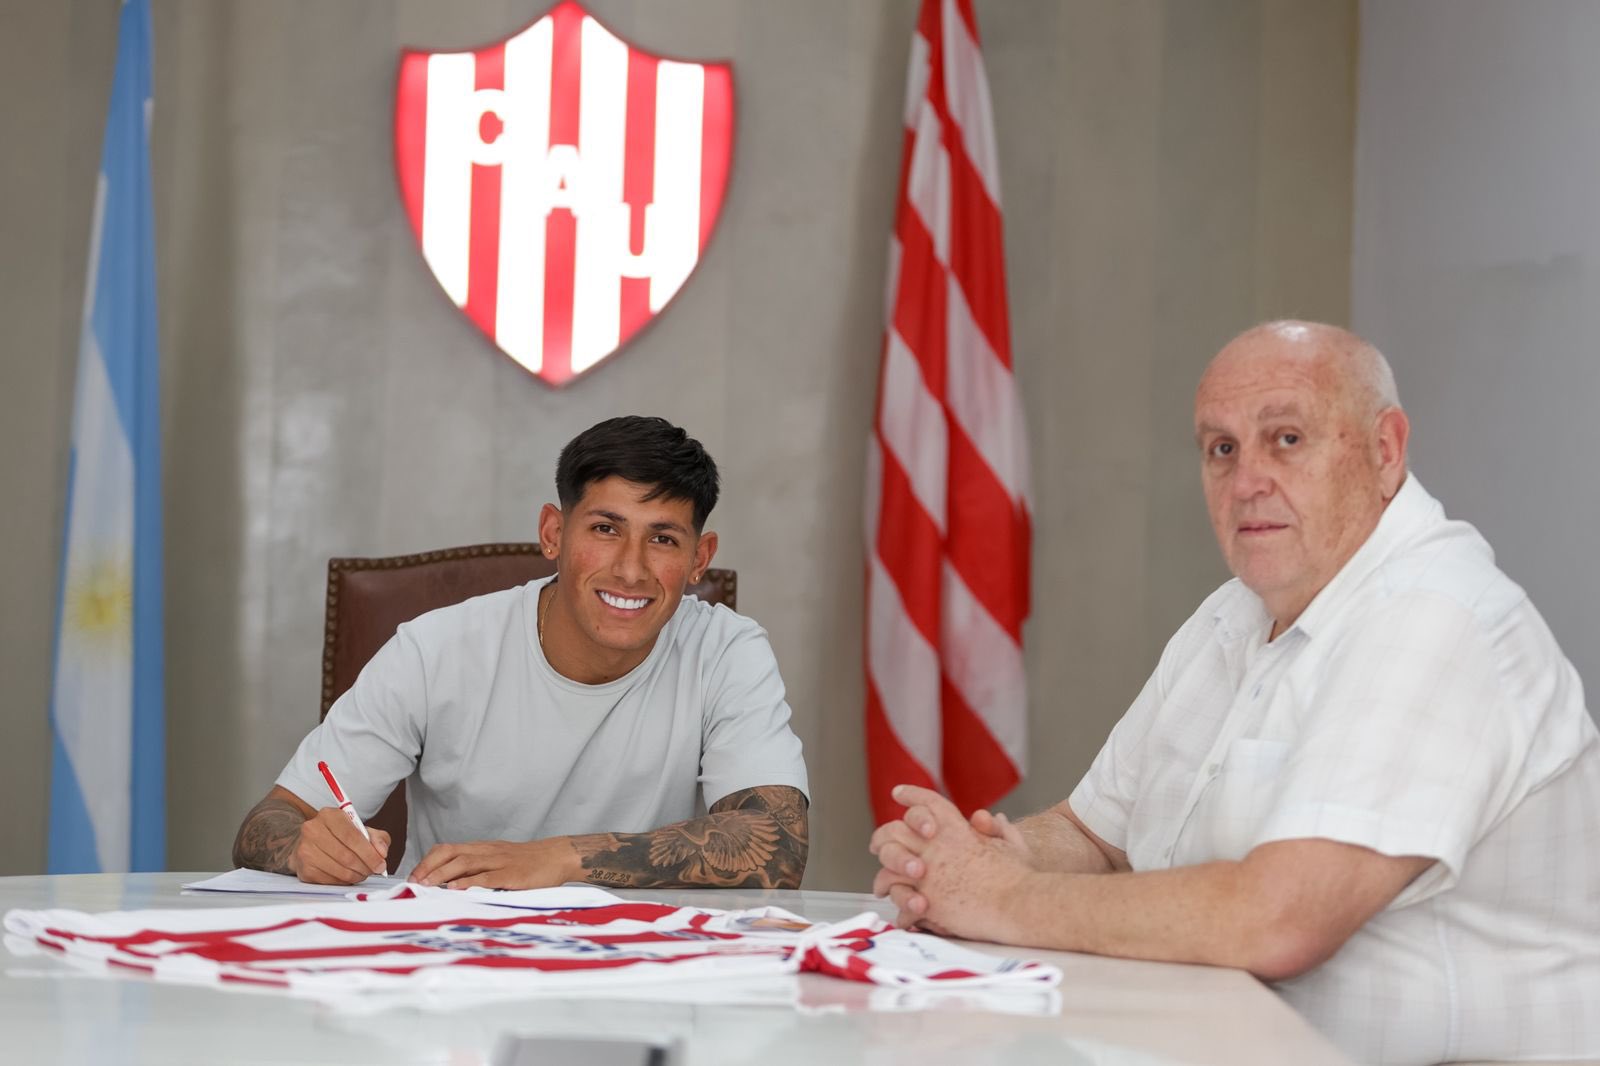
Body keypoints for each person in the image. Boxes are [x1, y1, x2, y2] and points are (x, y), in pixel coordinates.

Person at [869, 322, 1600, 1065]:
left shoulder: (1437, 614)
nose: (1247, 480)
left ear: (1385, 450)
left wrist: (1002, 898)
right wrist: (994, 856)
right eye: (1222, 448)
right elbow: (1096, 836)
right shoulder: (1234, 611)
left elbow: (1279, 920)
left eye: (1286, 439)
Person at [234, 415, 809, 891]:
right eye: (605, 529)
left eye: (662, 539)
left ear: (699, 559)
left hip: (645, 960)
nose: (632, 569)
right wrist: (303, 847)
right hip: (445, 952)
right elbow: (268, 823)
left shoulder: (727, 651)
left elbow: (778, 845)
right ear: (553, 534)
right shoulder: (435, 649)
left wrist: (560, 858)